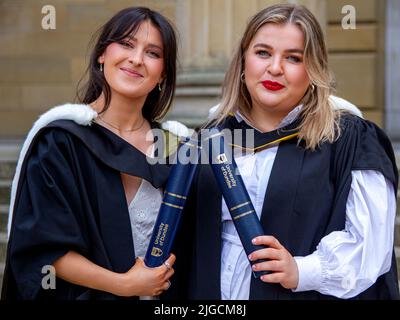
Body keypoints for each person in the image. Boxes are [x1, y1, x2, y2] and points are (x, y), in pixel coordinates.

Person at [176, 3, 399, 299]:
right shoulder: (209, 139)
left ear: (313, 70)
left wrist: (302, 270)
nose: (275, 68)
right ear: (243, 62)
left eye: (293, 58)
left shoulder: (347, 139)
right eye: (263, 53)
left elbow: (371, 246)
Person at [2, 7, 186, 300]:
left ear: (163, 73)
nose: (136, 59)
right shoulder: (62, 141)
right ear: (102, 54)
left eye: (152, 53)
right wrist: (125, 285)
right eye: (126, 44)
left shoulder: (176, 148)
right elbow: (46, 246)